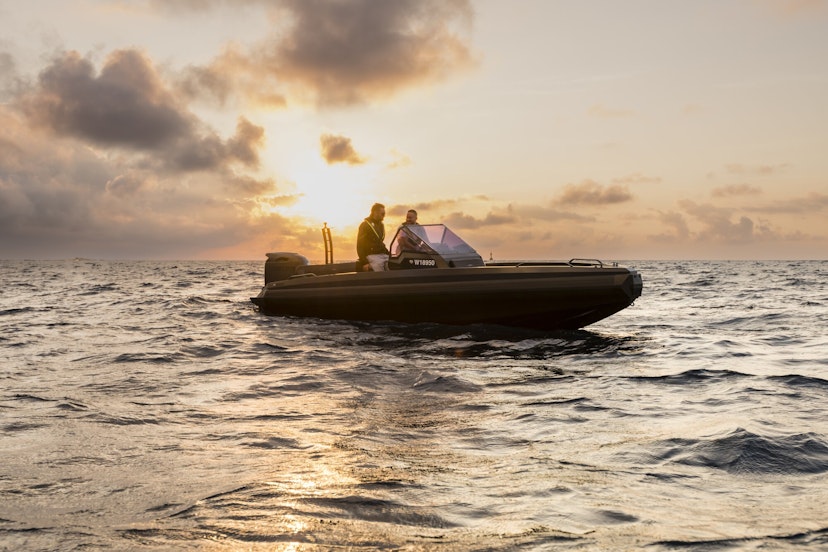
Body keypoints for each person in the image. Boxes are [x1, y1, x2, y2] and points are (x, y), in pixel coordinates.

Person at [357, 203, 389, 271]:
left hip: (382, 254)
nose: (384, 216)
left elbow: (379, 242)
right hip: (371, 255)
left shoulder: (381, 225)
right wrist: (364, 262)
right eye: (382, 214)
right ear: (375, 212)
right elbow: (360, 245)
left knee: (394, 264)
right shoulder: (365, 225)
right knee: (379, 268)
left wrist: (389, 253)